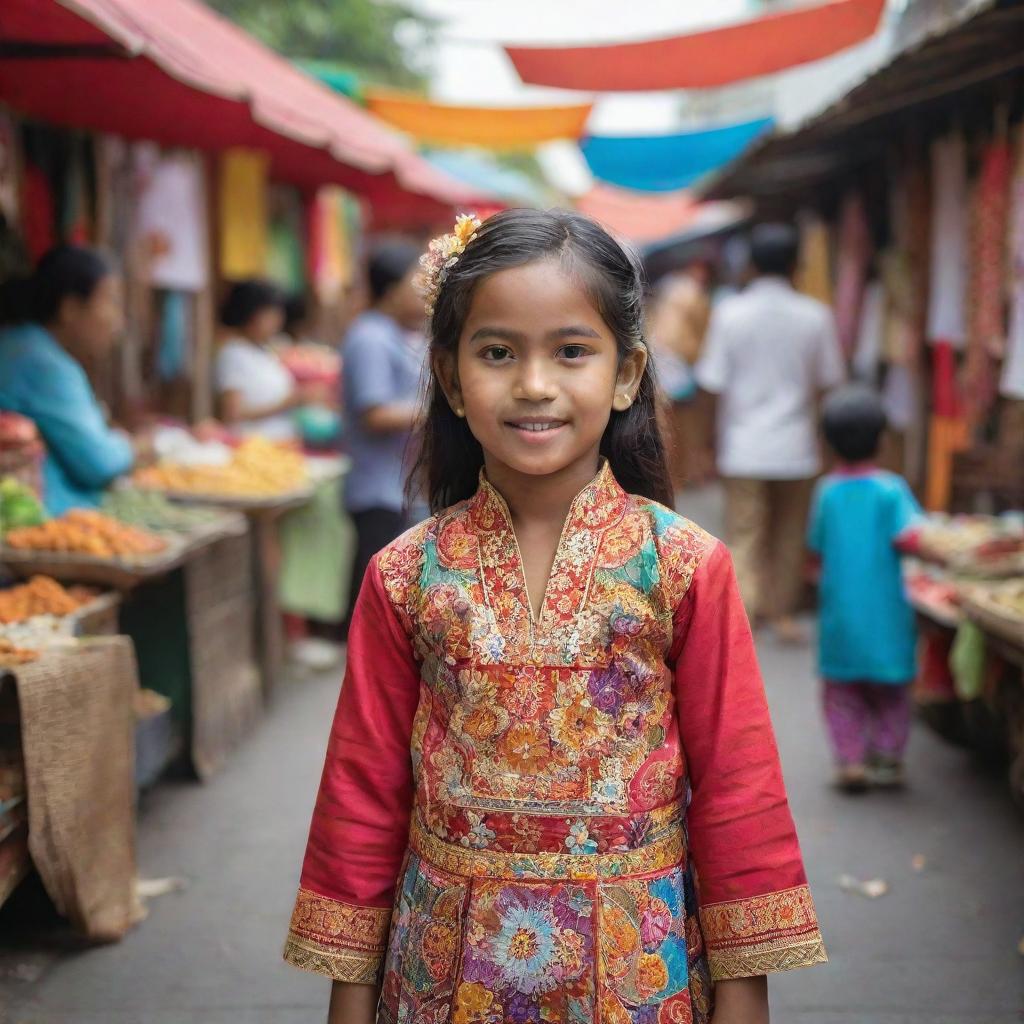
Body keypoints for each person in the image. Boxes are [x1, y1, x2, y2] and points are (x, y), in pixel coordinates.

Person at [283, 210, 826, 1024]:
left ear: (627, 373)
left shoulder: (683, 567)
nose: (534, 384)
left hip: (640, 980)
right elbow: (361, 795)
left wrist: (745, 997)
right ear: (451, 374)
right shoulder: (403, 574)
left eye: (571, 351)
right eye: (497, 352)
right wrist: (349, 999)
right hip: (442, 978)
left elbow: (738, 793)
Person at [696, 223, 845, 644]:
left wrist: (706, 443)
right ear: (797, 265)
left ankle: (745, 614)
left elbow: (711, 383)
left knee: (745, 532)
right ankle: (781, 613)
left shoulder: (729, 313)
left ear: (751, 265)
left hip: (742, 445)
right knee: (789, 533)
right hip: (797, 445)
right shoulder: (815, 316)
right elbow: (828, 383)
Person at [808, 385, 922, 791]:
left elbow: (816, 551)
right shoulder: (892, 489)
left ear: (828, 443)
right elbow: (913, 538)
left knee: (842, 694)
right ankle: (888, 758)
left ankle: (851, 761)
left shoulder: (826, 492)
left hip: (841, 619)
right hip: (888, 616)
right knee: (890, 693)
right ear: (882, 440)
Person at [0, 245, 140, 515]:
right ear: (70, 309)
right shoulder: (44, 364)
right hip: (38, 517)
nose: (117, 321)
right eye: (109, 302)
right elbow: (99, 463)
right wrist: (129, 445)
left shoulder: (18, 344)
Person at [340, 240, 425, 610]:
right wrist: (440, 411)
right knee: (375, 587)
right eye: (416, 282)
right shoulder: (370, 337)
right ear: (392, 287)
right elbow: (373, 413)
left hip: (396, 483)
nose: (424, 291)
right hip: (375, 485)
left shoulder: (394, 333)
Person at [648, 256, 713, 490]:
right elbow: (702, 333)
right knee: (684, 426)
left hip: (661, 358)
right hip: (677, 364)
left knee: (667, 424)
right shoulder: (693, 292)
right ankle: (681, 477)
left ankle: (675, 477)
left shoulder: (670, 286)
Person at [215, 279, 308, 442]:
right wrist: (288, 403)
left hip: (279, 445)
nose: (278, 321)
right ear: (251, 315)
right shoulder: (234, 354)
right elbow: (232, 414)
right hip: (254, 445)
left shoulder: (265, 351)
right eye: (271, 315)